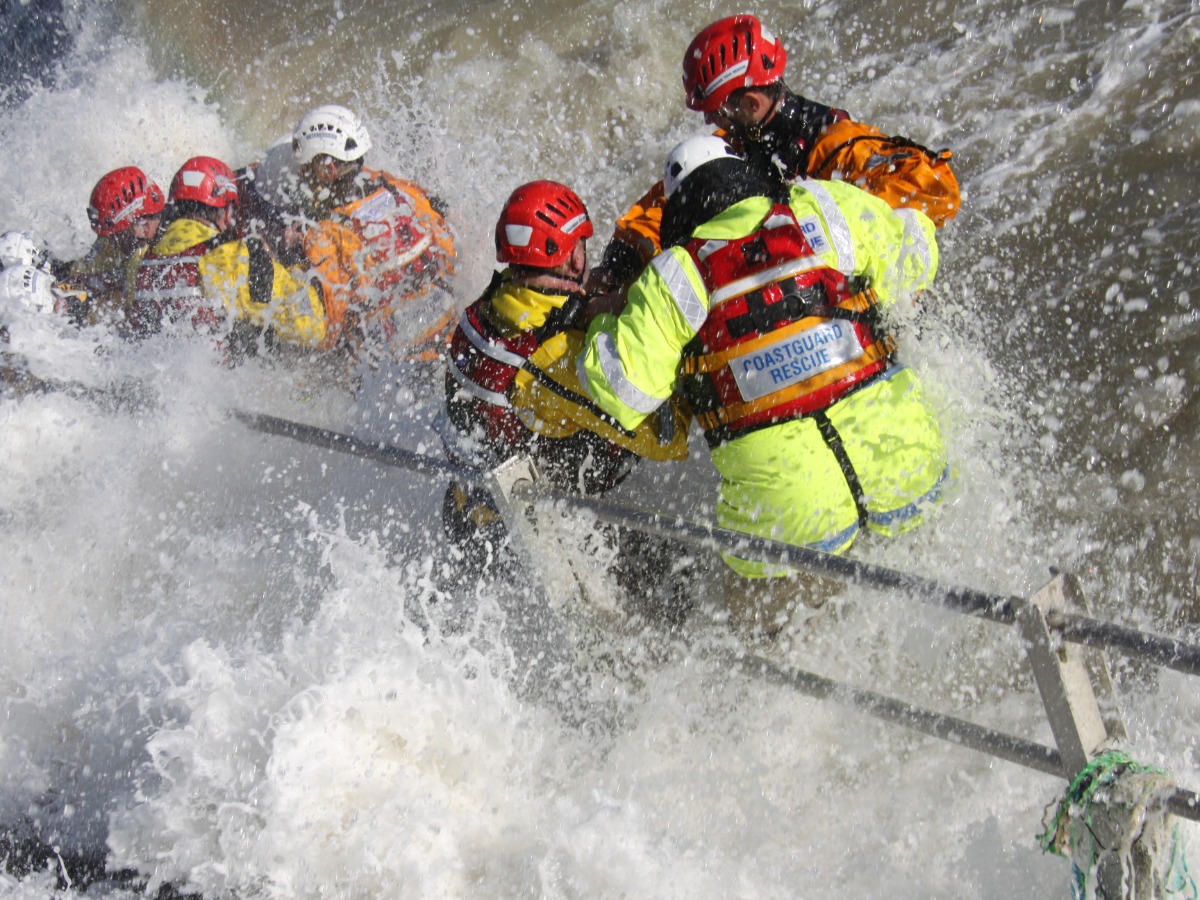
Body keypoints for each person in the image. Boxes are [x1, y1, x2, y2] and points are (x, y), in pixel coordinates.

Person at [578, 137, 948, 637]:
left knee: (763, 641)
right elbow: (916, 254)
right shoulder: (821, 207)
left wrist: (604, 319)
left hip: (791, 517)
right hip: (905, 460)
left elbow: (621, 390)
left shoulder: (676, 274)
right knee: (937, 611)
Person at [594, 14, 960, 291]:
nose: (708, 119)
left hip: (850, 307)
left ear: (751, 102)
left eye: (715, 109)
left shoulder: (834, 143)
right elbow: (662, 209)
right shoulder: (733, 145)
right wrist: (616, 267)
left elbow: (937, 187)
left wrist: (815, 217)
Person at [440, 180, 690, 580]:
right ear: (573, 260)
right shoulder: (556, 355)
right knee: (679, 567)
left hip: (467, 516)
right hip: (531, 548)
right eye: (581, 245)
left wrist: (582, 305)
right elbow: (669, 439)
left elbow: (530, 330)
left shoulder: (487, 310)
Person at [288, 104, 457, 360]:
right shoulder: (400, 189)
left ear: (328, 169)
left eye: (308, 168)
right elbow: (450, 250)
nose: (303, 176)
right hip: (452, 337)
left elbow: (327, 328)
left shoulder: (325, 234)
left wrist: (294, 265)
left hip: (395, 367)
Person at [132, 155, 327, 358]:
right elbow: (310, 329)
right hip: (217, 378)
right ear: (226, 212)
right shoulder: (233, 256)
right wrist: (291, 263)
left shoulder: (144, 259)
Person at [58, 166, 166, 330]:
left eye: (116, 235)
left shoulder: (146, 259)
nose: (111, 241)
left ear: (143, 226)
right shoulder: (122, 240)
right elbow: (81, 274)